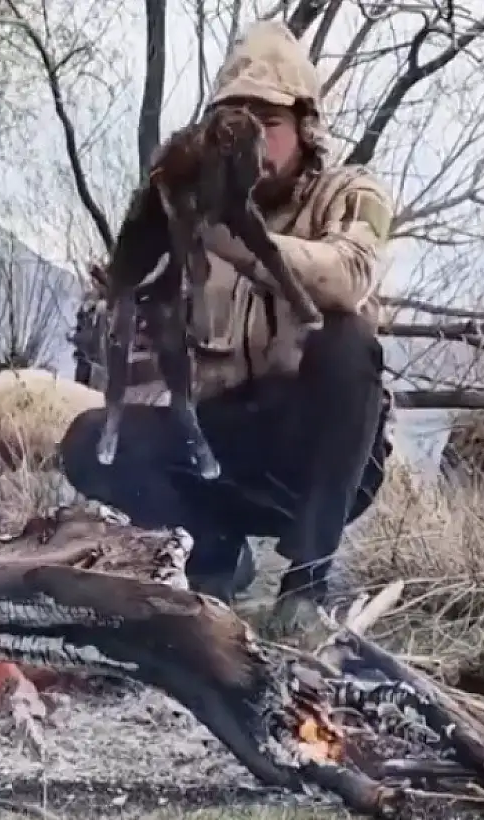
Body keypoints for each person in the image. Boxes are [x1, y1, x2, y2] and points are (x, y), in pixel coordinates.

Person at [58, 19, 397, 639]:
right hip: (222, 440)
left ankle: (307, 586)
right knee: (87, 443)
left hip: (315, 451)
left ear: (304, 127)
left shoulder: (353, 192)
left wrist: (240, 244)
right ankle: (213, 556)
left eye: (267, 126)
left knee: (347, 343)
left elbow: (349, 275)